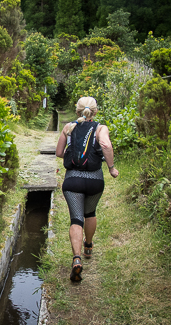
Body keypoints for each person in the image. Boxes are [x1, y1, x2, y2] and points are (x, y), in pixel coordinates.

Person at [55, 96, 119, 282]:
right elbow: (105, 144)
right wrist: (111, 168)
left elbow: (59, 153)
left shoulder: (68, 128)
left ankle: (76, 259)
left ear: (77, 111)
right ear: (95, 111)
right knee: (90, 212)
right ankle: (88, 246)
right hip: (95, 181)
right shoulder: (100, 128)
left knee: (76, 219)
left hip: (72, 181)